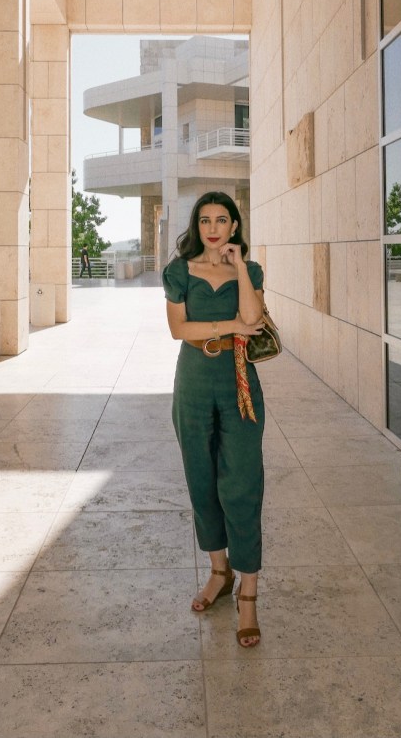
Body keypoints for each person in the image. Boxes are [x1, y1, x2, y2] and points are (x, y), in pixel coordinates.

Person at [162, 191, 266, 648]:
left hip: (239, 383)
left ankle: (249, 593)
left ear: (234, 226)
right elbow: (178, 330)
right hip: (194, 384)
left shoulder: (251, 271)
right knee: (201, 480)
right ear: (196, 224)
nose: (212, 228)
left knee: (242, 483)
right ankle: (219, 573)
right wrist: (231, 329)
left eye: (222, 219)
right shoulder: (179, 271)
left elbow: (253, 316)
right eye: (205, 220)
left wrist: (239, 266)